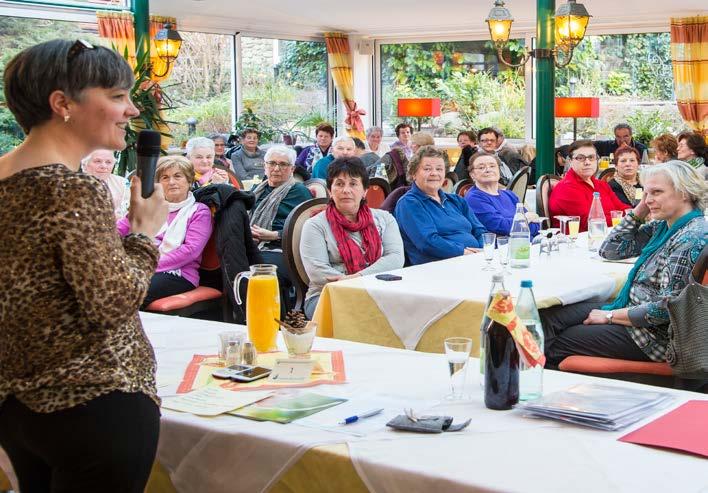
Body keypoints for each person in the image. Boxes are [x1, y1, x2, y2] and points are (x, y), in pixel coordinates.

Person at [0, 39, 168, 492]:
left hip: (18, 405)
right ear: (63, 104)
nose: (132, 110)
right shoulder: (71, 189)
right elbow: (112, 301)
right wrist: (143, 234)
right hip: (95, 401)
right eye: (117, 96)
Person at [540, 161, 706, 368]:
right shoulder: (664, 227)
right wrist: (639, 211)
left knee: (554, 341)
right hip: (633, 308)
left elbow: (668, 308)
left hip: (656, 337)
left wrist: (610, 316)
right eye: (646, 193)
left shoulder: (691, 238)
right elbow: (610, 250)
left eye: (656, 192)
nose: (648, 199)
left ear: (685, 193)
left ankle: (538, 378)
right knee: (546, 318)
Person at [300, 157, 405, 318]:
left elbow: (396, 258)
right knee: (366, 313)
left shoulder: (385, 219)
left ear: (365, 191)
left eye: (353, 184)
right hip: (328, 295)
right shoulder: (315, 225)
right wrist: (353, 285)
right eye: (339, 184)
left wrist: (357, 278)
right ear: (330, 191)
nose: (346, 190)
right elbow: (318, 272)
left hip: (379, 290)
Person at [117, 156, 213, 307]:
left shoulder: (199, 211)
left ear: (189, 181)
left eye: (177, 176)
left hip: (179, 274)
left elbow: (190, 251)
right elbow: (116, 231)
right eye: (165, 177)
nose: (172, 182)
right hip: (138, 267)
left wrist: (147, 264)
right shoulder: (149, 206)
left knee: (129, 293)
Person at [395, 146, 486, 265]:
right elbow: (427, 242)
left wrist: (483, 250)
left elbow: (480, 230)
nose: (434, 173)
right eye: (427, 169)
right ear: (413, 174)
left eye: (439, 169)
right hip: (438, 266)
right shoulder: (409, 203)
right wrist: (463, 252)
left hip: (474, 260)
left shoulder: (456, 200)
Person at [250, 145, 313, 312]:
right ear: (265, 166)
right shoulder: (257, 190)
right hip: (253, 243)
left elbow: (307, 227)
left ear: (292, 169)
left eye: (283, 164)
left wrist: (275, 235)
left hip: (283, 248)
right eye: (272, 163)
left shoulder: (299, 191)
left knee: (260, 272)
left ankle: (277, 318)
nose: (276, 169)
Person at [549, 139, 628, 231]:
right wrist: (628, 219)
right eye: (580, 158)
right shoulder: (566, 188)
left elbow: (622, 208)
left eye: (591, 157)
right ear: (570, 161)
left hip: (610, 234)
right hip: (579, 238)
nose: (587, 162)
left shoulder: (601, 185)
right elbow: (591, 222)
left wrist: (636, 215)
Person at [465, 151, 541, 238]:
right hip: (501, 245)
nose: (488, 170)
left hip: (527, 242)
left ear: (499, 170)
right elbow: (501, 226)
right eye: (481, 167)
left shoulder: (510, 195)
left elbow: (537, 226)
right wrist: (526, 220)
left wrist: (521, 223)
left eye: (492, 166)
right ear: (472, 175)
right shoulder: (474, 198)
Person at [82, 148, 130, 218]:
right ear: (84, 164)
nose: (104, 166)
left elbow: (129, 211)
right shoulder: (75, 184)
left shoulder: (122, 183)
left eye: (108, 162)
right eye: (98, 161)